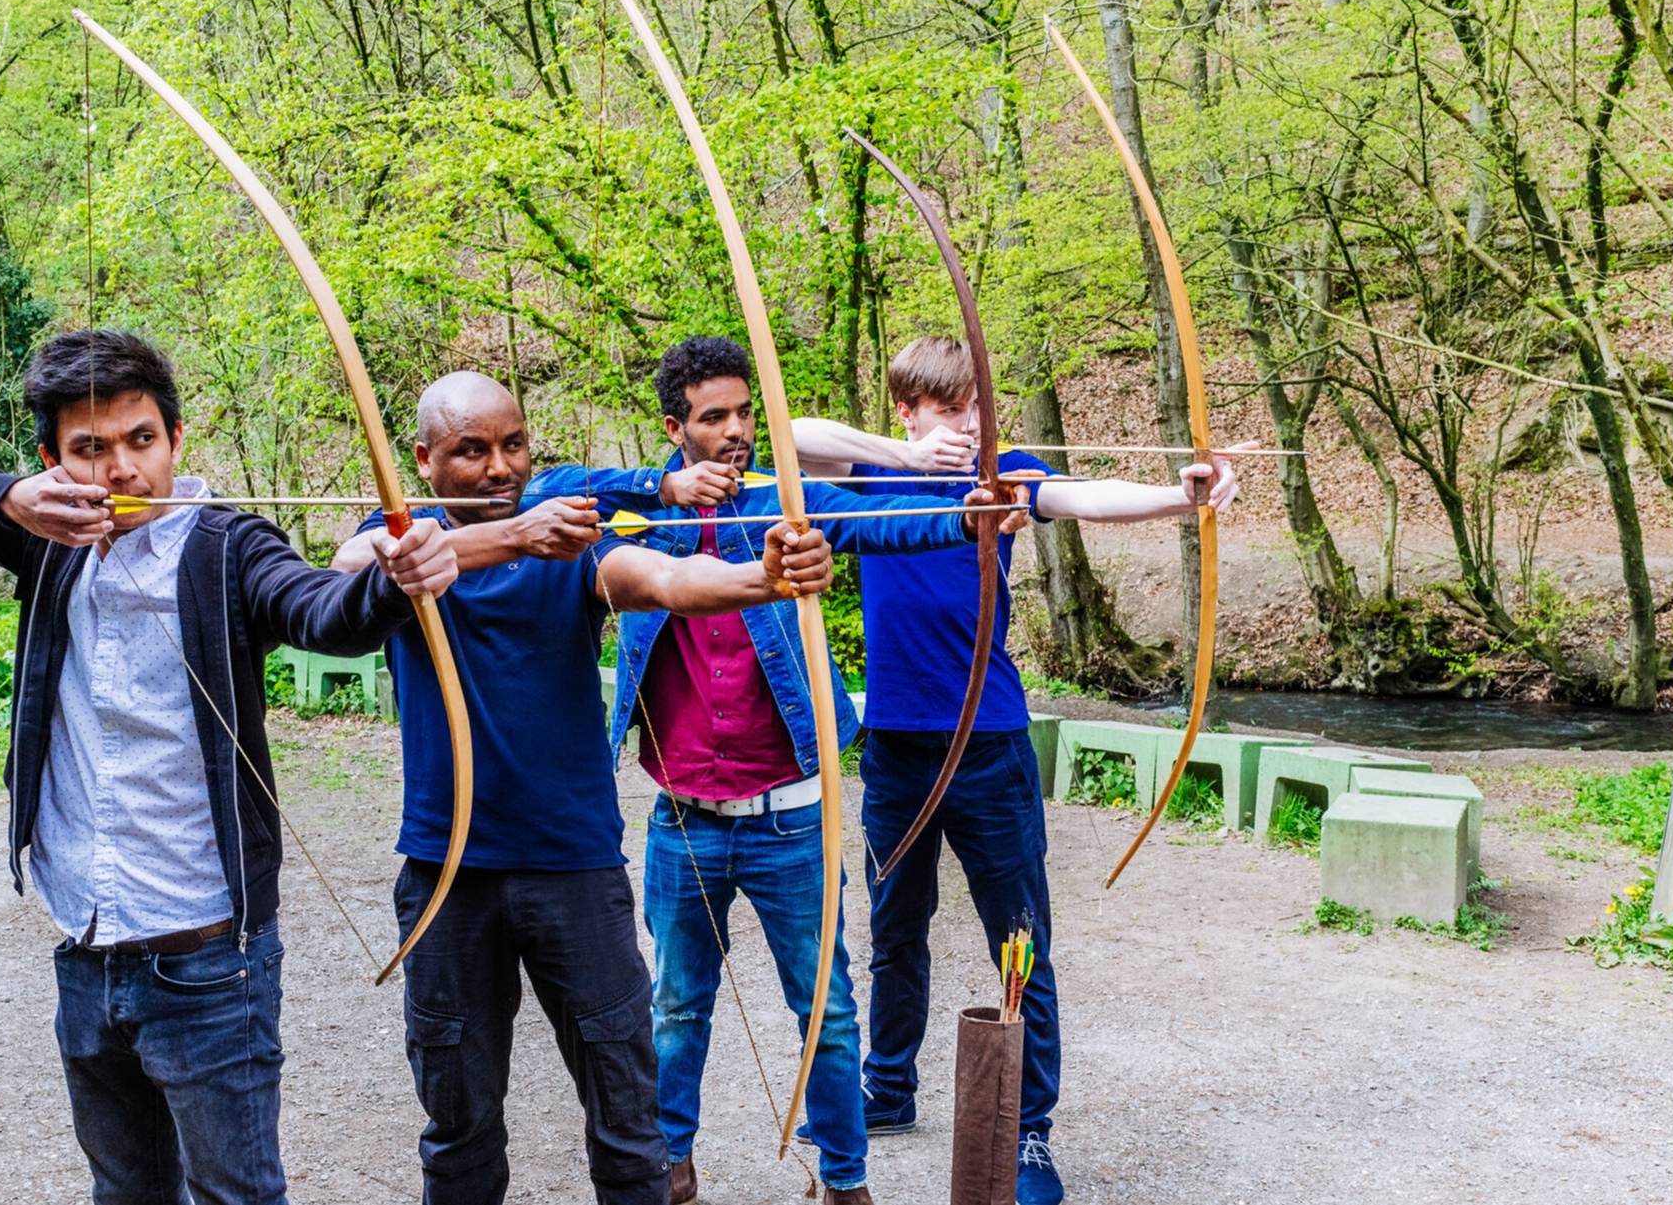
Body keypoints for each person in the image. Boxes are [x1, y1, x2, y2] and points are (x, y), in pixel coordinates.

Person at [0, 329, 456, 1205]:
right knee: (127, 1192)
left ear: (176, 439)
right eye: (90, 449)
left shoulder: (226, 545)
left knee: (238, 1196)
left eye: (141, 439)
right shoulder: (47, 540)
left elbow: (320, 609)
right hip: (86, 941)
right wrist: (10, 500)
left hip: (206, 958)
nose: (121, 469)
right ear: (53, 461)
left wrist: (394, 583)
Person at [337, 370, 837, 1205]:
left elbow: (670, 583)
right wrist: (514, 535)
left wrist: (767, 580)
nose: (500, 467)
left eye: (514, 445)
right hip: (447, 875)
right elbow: (359, 567)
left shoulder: (573, 547)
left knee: (629, 1128)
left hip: (574, 871)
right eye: (471, 451)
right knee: (458, 1131)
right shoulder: (399, 537)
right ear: (423, 460)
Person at [788, 334, 1244, 1205]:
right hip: (896, 747)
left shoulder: (1002, 476)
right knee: (894, 927)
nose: (967, 425)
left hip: (989, 743)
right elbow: (789, 437)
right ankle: (889, 1087)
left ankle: (1028, 1130)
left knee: (1019, 939)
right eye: (949, 409)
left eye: (976, 409)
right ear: (910, 410)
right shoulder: (874, 477)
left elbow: (1082, 496)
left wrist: (1176, 499)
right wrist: (904, 455)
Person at [570, 336, 1022, 1205]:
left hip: (791, 817)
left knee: (829, 1013)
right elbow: (552, 494)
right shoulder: (638, 517)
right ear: (676, 427)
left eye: (747, 412)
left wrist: (971, 515)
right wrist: (661, 490)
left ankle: (846, 1180)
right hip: (684, 817)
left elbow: (883, 521)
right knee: (674, 1008)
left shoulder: (794, 502)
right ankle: (673, 1163)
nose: (738, 429)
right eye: (716, 417)